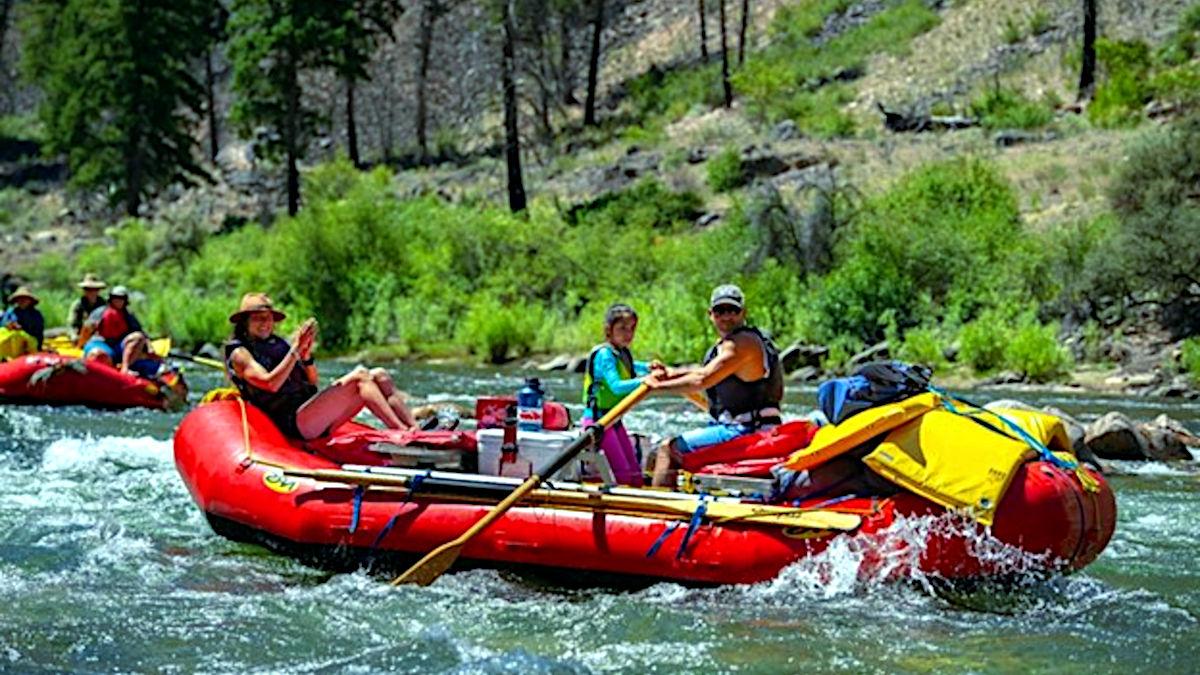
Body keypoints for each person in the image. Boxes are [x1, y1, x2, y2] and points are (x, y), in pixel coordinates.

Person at [224, 292, 418, 440]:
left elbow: (312, 382)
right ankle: (401, 434)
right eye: (258, 318)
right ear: (244, 322)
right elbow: (270, 384)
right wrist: (295, 349)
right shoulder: (241, 354)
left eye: (268, 317)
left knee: (379, 375)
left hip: (309, 413)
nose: (265, 323)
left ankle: (414, 430)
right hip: (292, 423)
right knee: (360, 377)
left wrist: (306, 357)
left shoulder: (277, 344)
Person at [645, 284, 784, 488]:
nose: (726, 316)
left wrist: (655, 387)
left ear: (743, 313)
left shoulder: (742, 343)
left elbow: (701, 379)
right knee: (652, 456)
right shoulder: (725, 347)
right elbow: (701, 377)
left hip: (747, 431)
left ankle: (658, 512)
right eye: (720, 311)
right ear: (710, 314)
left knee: (668, 449)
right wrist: (670, 375)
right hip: (740, 427)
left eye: (733, 310)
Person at [581, 303, 665, 486]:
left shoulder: (619, 353)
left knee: (635, 474)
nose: (628, 333)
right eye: (622, 328)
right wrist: (646, 380)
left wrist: (647, 367)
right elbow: (617, 386)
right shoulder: (604, 354)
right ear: (608, 330)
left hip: (614, 419)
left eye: (632, 328)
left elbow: (628, 367)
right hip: (599, 421)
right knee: (625, 476)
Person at [78, 286, 143, 367]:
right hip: (100, 342)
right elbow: (87, 329)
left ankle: (125, 367)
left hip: (118, 345)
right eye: (115, 297)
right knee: (99, 355)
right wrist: (81, 345)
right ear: (110, 299)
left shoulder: (128, 316)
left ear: (125, 300)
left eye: (121, 298)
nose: (118, 300)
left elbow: (140, 332)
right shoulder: (100, 312)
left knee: (138, 337)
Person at [0, 286, 45, 358]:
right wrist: (9, 326)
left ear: (30, 300)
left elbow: (38, 333)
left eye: (25, 298)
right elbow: (3, 324)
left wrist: (22, 330)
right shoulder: (11, 312)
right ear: (16, 300)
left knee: (18, 336)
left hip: (30, 343)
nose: (22, 300)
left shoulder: (36, 314)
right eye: (19, 298)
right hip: (11, 344)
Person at [69, 273, 108, 339]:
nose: (92, 292)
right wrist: (74, 335)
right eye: (88, 289)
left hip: (100, 336)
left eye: (95, 289)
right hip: (82, 336)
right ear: (84, 291)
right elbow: (72, 325)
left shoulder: (104, 304)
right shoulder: (78, 305)